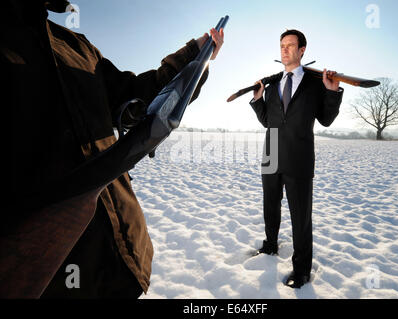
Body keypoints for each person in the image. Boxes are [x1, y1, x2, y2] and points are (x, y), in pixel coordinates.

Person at [1, 0, 223, 298]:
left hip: (122, 260)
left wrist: (193, 56)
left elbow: (135, 102)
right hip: (50, 283)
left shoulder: (75, 45)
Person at [250, 29, 343, 288]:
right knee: (270, 206)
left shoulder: (314, 83)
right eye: (282, 45)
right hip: (271, 153)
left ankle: (301, 270)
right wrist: (258, 101)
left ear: (302, 50)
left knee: (300, 216)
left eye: (290, 45)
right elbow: (270, 121)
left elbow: (325, 119)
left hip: (299, 156)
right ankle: (270, 245)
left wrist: (332, 93)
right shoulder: (272, 85)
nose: (285, 50)